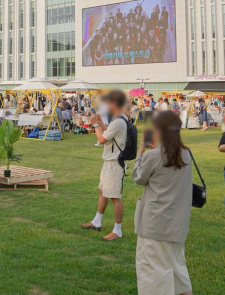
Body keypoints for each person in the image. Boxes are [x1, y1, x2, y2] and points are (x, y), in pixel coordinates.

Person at [132, 110, 193, 295]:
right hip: (178, 224)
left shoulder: (155, 156)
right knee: (178, 274)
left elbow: (138, 178)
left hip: (155, 225)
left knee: (153, 279)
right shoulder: (187, 154)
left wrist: (141, 152)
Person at [81, 90, 128, 241]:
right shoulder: (120, 119)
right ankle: (96, 221)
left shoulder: (119, 121)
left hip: (115, 163)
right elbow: (109, 136)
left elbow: (102, 140)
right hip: (110, 162)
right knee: (102, 191)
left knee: (114, 196)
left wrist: (95, 125)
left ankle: (118, 230)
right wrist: (100, 123)